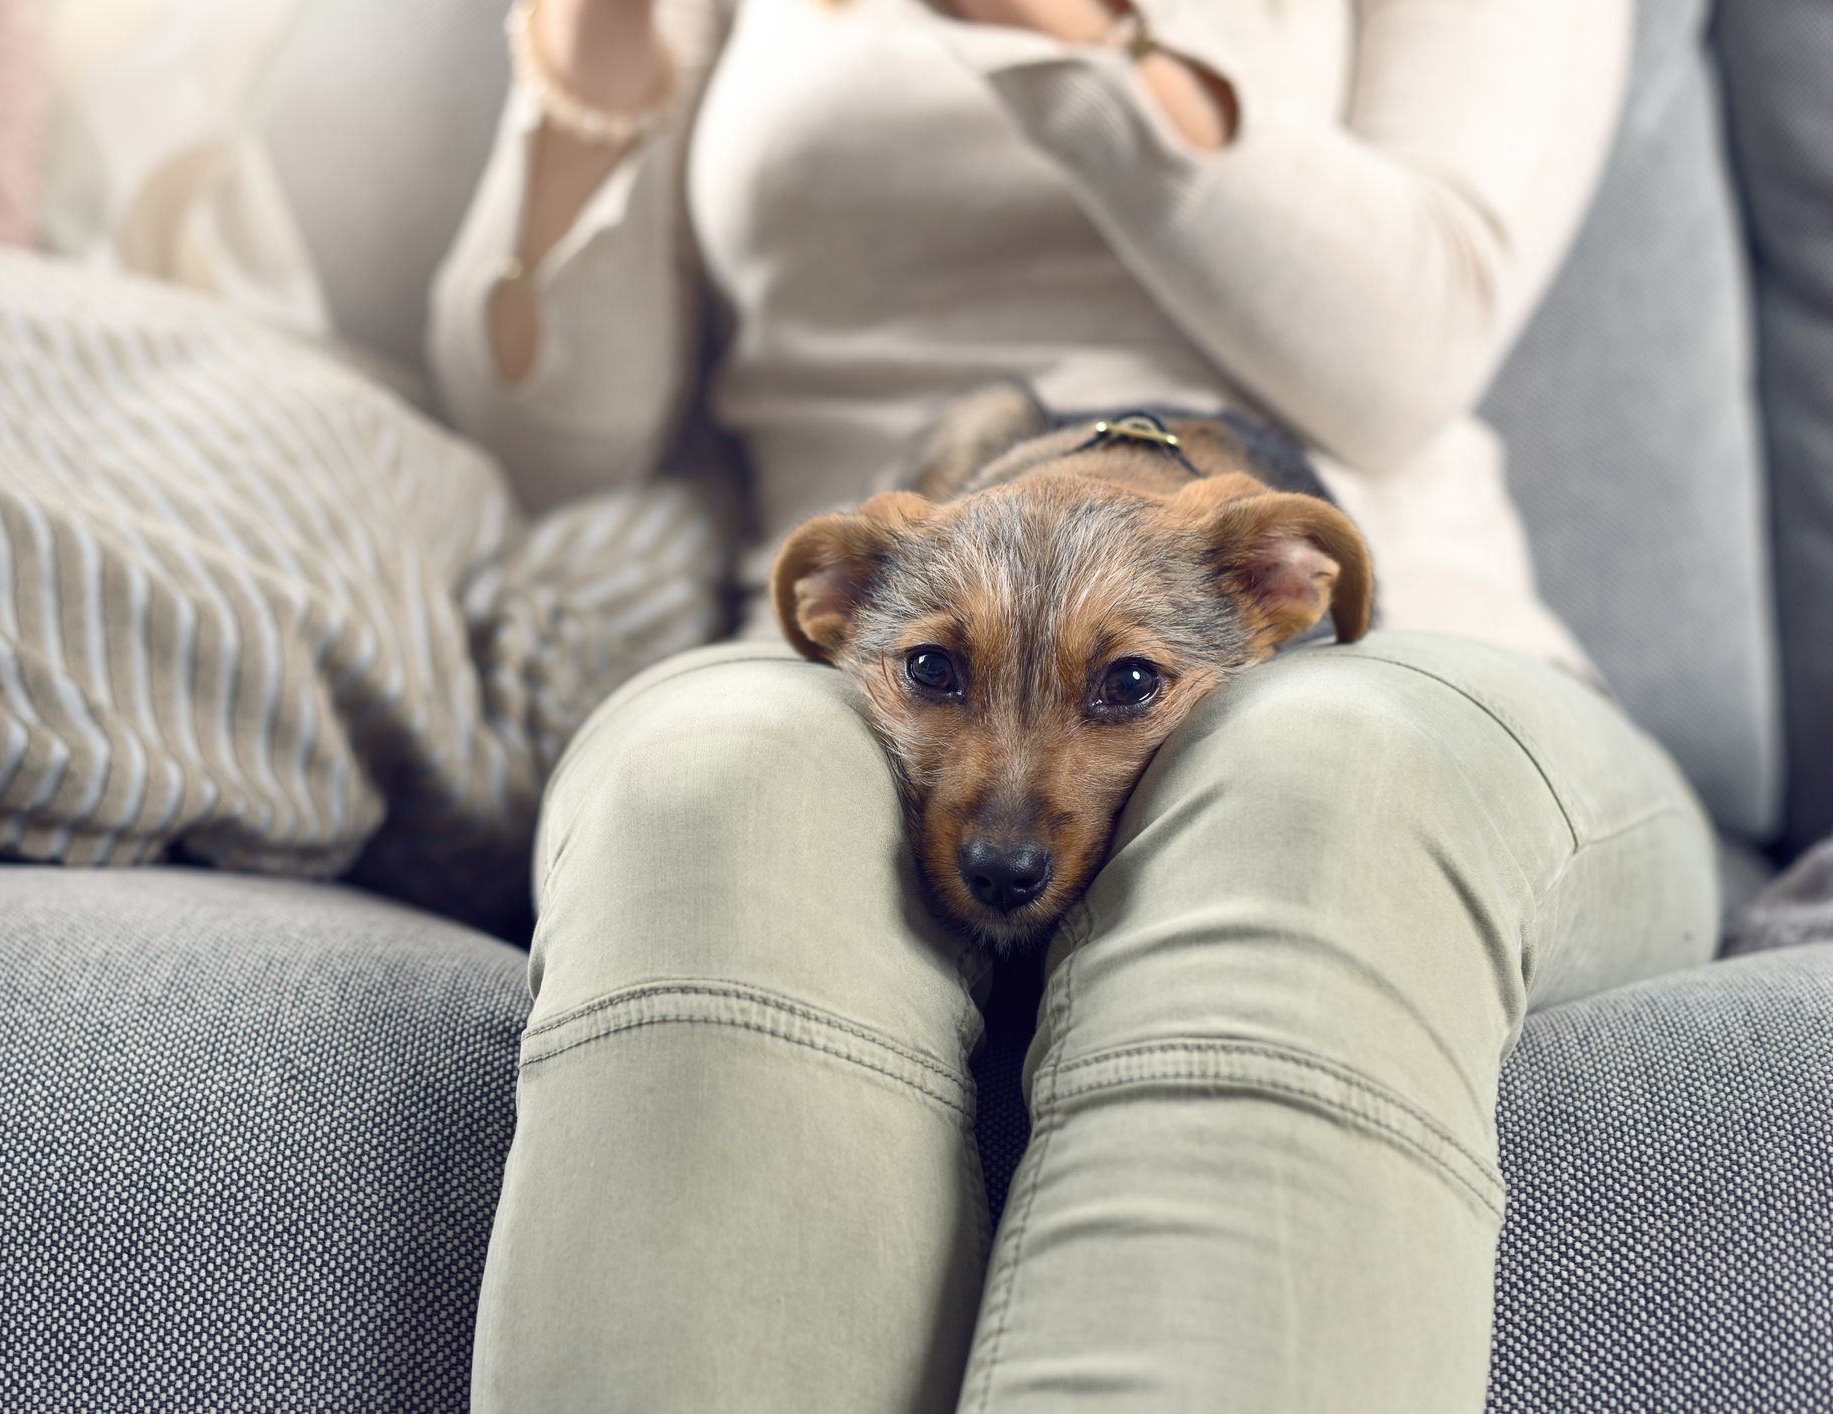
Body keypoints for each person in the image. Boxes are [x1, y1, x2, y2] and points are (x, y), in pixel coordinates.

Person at [426, 0, 1719, 1408]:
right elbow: (547, 440)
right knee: (720, 784)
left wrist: (1076, 37)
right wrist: (595, 73)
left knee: (1321, 777)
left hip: (1400, 649)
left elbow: (1410, 354)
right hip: (882, 624)